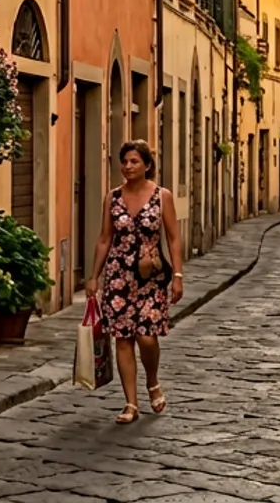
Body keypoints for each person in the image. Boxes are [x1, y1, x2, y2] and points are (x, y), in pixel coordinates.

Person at [87, 140, 184, 424]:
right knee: (123, 338)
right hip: (118, 276)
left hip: (151, 277)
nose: (128, 167)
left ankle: (152, 380)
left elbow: (174, 238)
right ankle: (131, 403)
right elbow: (105, 238)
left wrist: (177, 275)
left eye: (134, 162)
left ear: (147, 165)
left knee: (146, 336)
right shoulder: (113, 197)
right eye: (125, 161)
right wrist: (94, 276)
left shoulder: (161, 196)